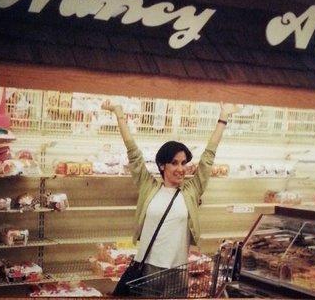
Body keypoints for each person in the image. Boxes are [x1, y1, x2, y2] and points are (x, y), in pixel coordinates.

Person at [101, 100, 239, 297]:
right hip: (148, 270)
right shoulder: (148, 187)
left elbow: (208, 158)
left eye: (183, 163)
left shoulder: (191, 190)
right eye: (174, 163)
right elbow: (133, 154)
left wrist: (223, 117)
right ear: (162, 165)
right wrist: (119, 114)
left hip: (178, 271)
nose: (180, 168)